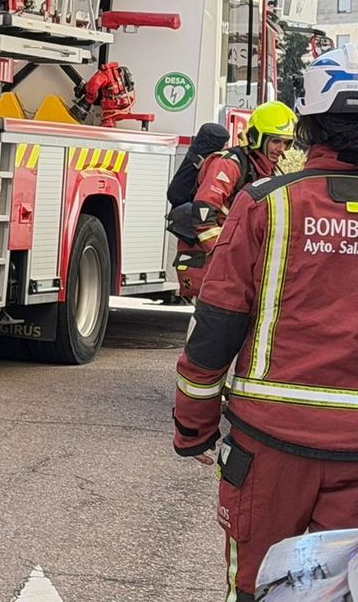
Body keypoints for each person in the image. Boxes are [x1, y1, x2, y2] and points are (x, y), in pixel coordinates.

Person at [172, 46, 358, 601]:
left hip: (268, 447)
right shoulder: (248, 185)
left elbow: (216, 328)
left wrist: (193, 427)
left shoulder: (266, 204)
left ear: (306, 126)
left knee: (256, 590)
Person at [173, 101, 297, 299]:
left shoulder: (265, 169)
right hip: (211, 264)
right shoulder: (230, 165)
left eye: (286, 142)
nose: (281, 148)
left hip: (237, 265)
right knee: (214, 326)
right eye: (275, 141)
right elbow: (203, 216)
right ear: (258, 137)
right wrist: (227, 255)